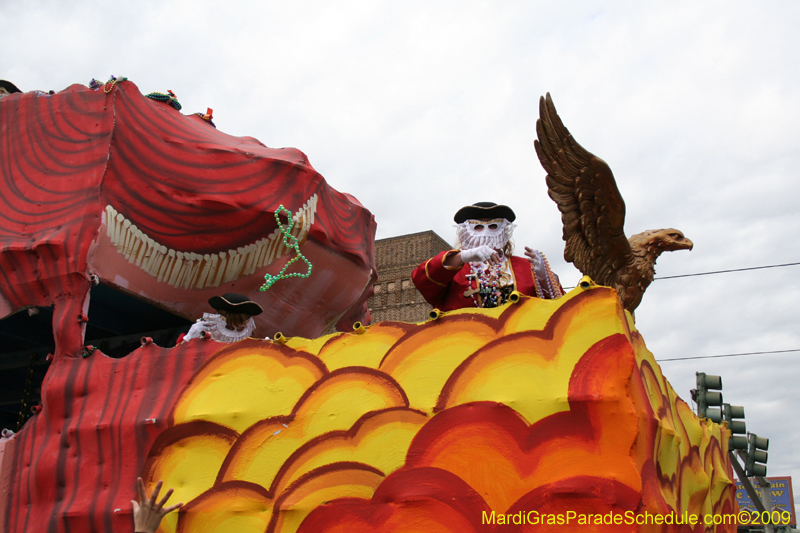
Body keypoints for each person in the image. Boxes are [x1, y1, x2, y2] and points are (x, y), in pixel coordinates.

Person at [412, 202, 564, 311]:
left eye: (493, 226)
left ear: (504, 231)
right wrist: (463, 256)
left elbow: (559, 308)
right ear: (465, 233)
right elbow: (422, 280)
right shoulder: (453, 268)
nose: (486, 231)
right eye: (478, 226)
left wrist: (545, 279)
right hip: (464, 345)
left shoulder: (527, 267)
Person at [181, 293, 263, 343]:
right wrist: (190, 337)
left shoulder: (248, 337)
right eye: (230, 327)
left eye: (240, 328)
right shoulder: (202, 329)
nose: (235, 330)